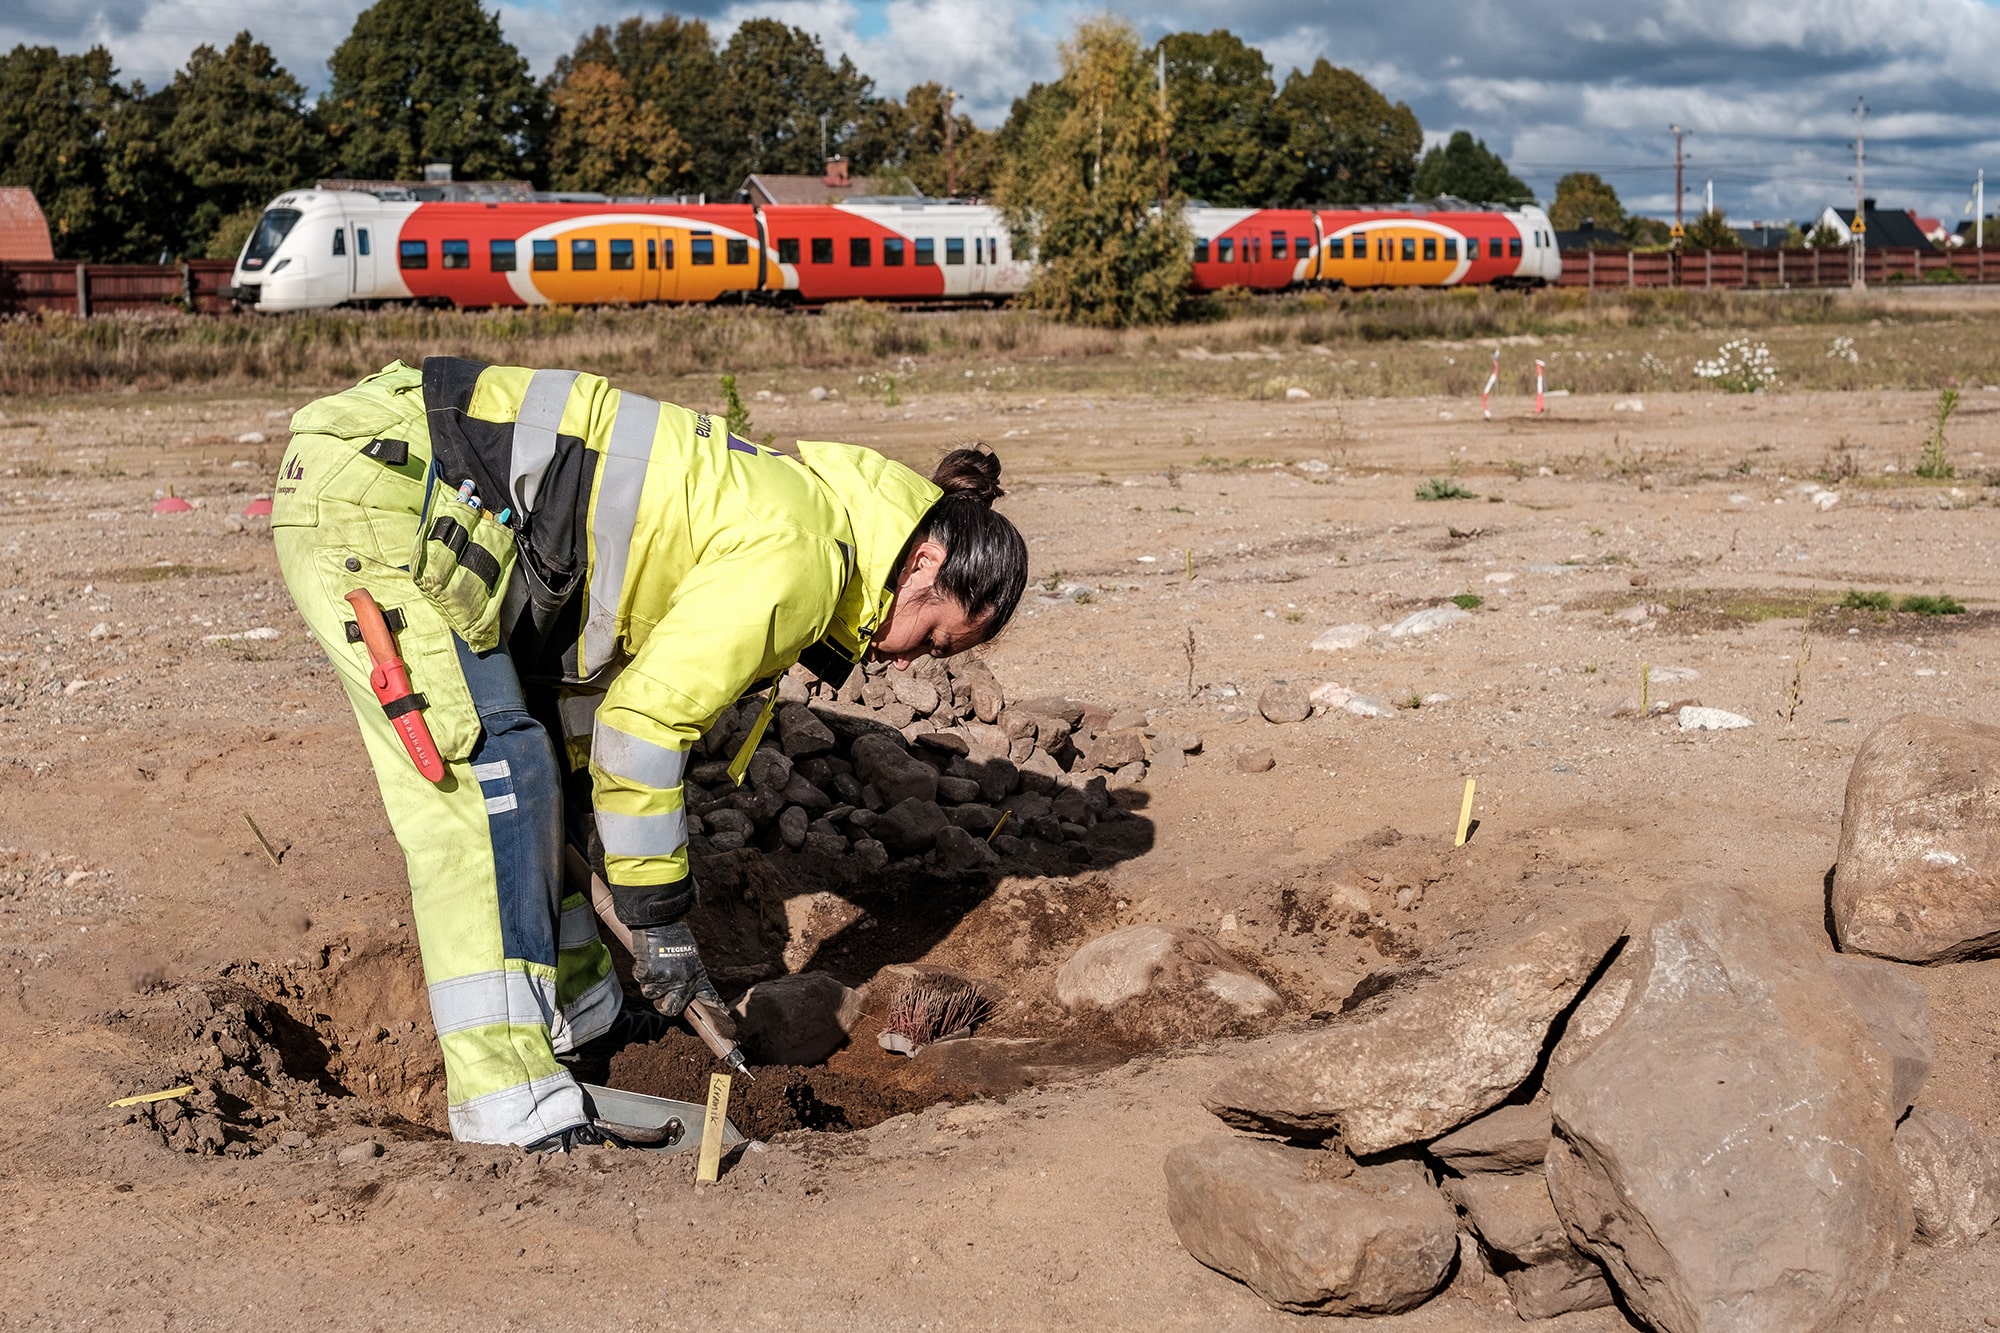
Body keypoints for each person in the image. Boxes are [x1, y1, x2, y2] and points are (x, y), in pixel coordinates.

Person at [271, 357, 1027, 1150]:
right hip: (383, 490)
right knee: (492, 778)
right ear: (926, 565)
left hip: (427, 488)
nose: (909, 662)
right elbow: (641, 728)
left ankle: (583, 1015)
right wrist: (660, 925)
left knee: (545, 772)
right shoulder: (804, 557)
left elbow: (600, 698)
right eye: (935, 636)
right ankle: (507, 1102)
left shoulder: (813, 519)